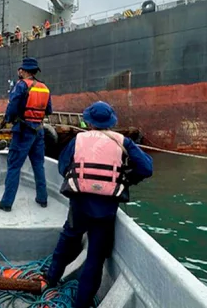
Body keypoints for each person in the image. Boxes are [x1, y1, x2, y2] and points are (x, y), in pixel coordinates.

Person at [44, 101, 153, 308]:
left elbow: (62, 167)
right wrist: (127, 179)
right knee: (95, 258)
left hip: (79, 203)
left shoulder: (78, 140)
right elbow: (146, 168)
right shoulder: (123, 142)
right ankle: (81, 304)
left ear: (89, 122)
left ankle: (50, 279)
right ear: (111, 122)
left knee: (68, 238)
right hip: (105, 208)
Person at [0, 57, 52, 211]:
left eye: (20, 69)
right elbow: (48, 110)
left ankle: (7, 202)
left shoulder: (21, 85)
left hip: (22, 131)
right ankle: (42, 198)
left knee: (14, 166)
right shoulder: (45, 88)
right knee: (38, 165)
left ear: (24, 71)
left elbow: (12, 107)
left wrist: (8, 119)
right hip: (39, 131)